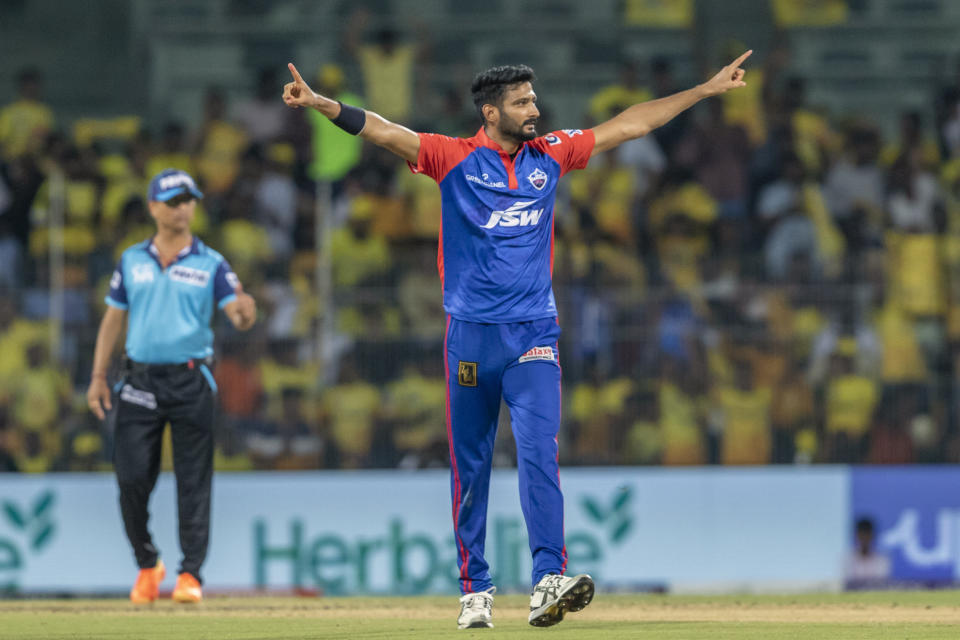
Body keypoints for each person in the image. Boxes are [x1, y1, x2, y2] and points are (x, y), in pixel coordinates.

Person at [282, 50, 751, 629]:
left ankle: (547, 581)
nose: (535, 108)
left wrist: (701, 90)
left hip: (535, 334)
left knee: (538, 454)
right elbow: (382, 131)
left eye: (534, 99)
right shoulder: (450, 157)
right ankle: (475, 589)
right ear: (490, 111)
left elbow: (632, 124)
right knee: (471, 465)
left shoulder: (550, 155)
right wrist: (321, 104)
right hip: (472, 341)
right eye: (522, 102)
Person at [86, 169, 256, 604]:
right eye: (175, 200)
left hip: (190, 379)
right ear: (153, 207)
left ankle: (190, 576)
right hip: (139, 379)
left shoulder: (211, 262)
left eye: (189, 200)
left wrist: (243, 313)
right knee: (130, 478)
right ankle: (148, 564)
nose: (183, 208)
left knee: (193, 480)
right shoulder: (132, 260)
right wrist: (98, 377)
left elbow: (236, 311)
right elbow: (112, 319)